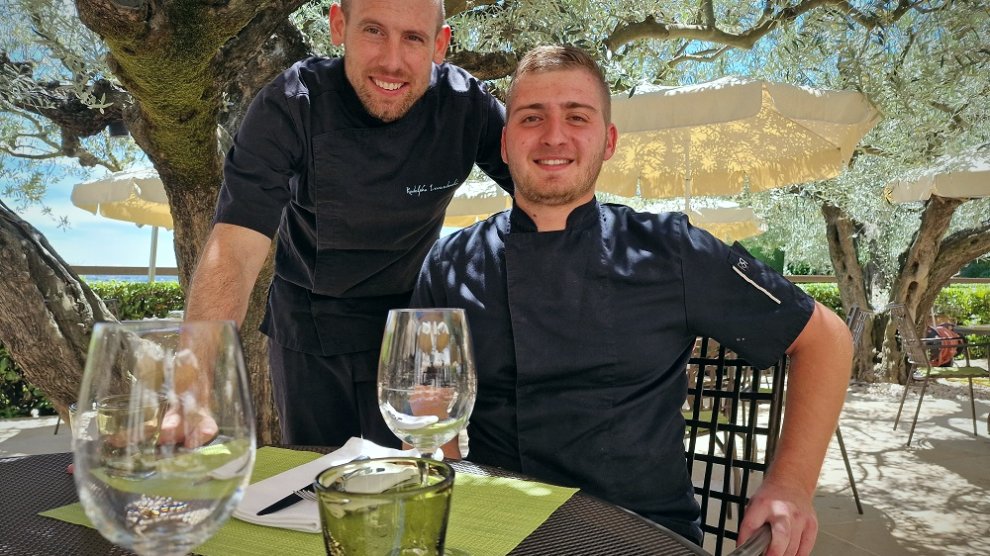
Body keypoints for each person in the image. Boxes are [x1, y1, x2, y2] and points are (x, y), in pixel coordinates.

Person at [410, 45, 852, 556]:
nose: (554, 136)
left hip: (641, 536)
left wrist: (792, 485)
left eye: (577, 117)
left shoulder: (672, 250)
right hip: (501, 529)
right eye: (531, 117)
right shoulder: (450, 263)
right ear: (505, 143)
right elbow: (428, 412)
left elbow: (826, 339)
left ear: (609, 141)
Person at [182, 0, 512, 448]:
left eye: (413, 38)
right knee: (317, 478)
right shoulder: (292, 104)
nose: (392, 61)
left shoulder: (466, 107)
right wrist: (190, 390)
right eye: (373, 31)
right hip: (310, 329)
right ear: (339, 26)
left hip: (410, 328)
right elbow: (234, 249)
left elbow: (541, 187)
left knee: (411, 476)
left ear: (440, 44)